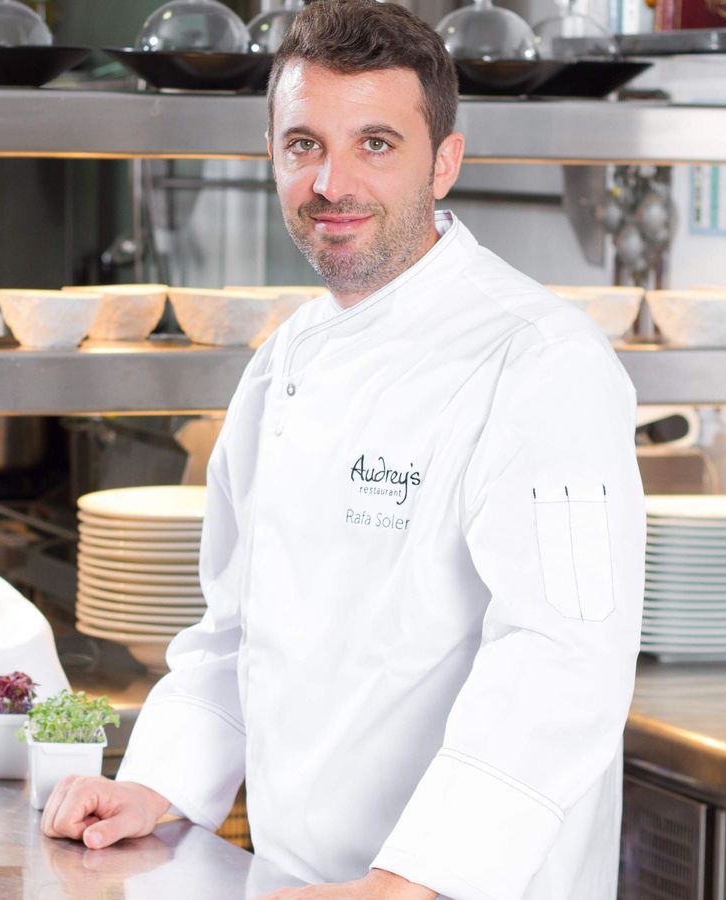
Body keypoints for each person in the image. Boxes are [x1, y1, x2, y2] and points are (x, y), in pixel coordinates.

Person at [37, 2, 644, 897]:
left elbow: (561, 667)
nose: (331, 183)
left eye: (376, 144)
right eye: (303, 145)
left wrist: (408, 882)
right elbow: (236, 632)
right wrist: (155, 784)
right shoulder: (286, 360)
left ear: (445, 161)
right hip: (297, 881)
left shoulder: (541, 364)